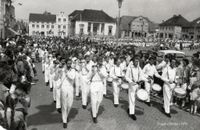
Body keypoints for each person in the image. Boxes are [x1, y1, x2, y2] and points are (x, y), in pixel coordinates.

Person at [125, 56, 145, 120]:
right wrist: (130, 82)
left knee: (133, 99)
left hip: (137, 85)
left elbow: (142, 75)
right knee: (132, 99)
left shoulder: (139, 68)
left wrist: (146, 79)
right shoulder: (129, 68)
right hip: (131, 85)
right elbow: (126, 77)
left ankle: (130, 108)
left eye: (137, 61)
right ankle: (132, 113)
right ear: (133, 62)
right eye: (136, 61)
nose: (137, 62)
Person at [60, 59, 76, 128]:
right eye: (68, 63)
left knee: (70, 104)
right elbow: (57, 77)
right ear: (66, 64)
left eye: (70, 63)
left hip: (70, 87)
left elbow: (72, 77)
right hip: (64, 87)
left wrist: (67, 72)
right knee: (64, 104)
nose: (69, 65)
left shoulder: (73, 70)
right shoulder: (62, 69)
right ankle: (64, 121)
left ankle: (66, 115)